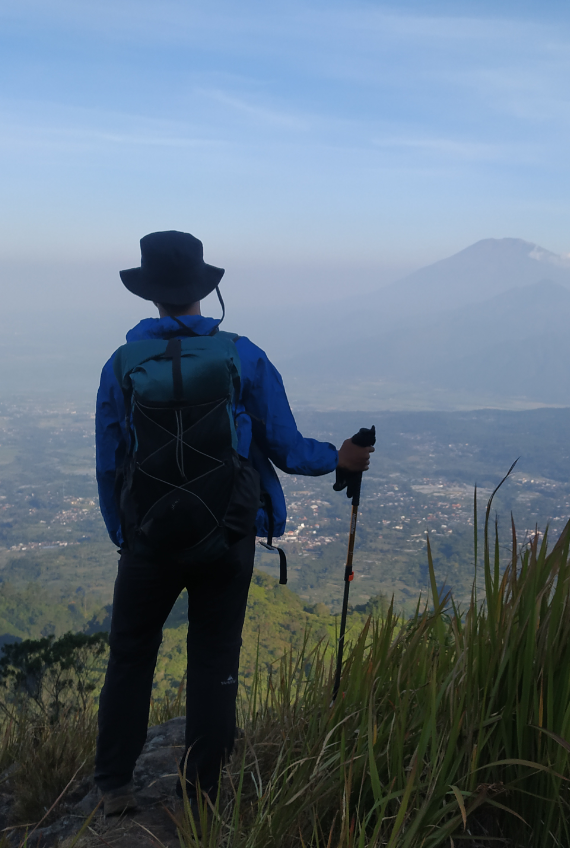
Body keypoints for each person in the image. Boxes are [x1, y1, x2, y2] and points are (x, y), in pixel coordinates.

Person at [92, 230, 373, 815]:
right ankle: (201, 796)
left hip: (148, 542)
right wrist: (340, 459)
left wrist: (129, 538)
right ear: (204, 290)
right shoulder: (243, 356)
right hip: (227, 535)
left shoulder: (119, 366)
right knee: (214, 657)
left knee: (130, 654)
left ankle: (115, 786)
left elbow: (111, 461)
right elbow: (288, 448)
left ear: (150, 295)